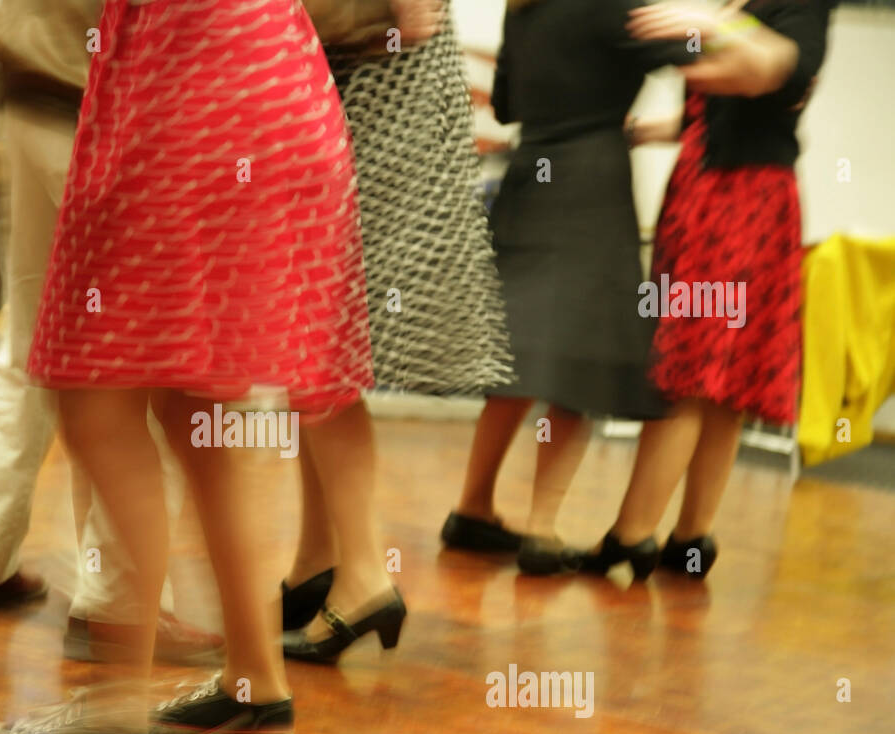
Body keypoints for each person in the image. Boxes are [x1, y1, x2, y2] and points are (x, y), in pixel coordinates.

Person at [0, 0, 372, 734]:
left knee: (93, 391)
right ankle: (254, 683)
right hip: (268, 87)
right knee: (200, 407)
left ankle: (115, 713)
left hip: (194, 101)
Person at [0, 0, 219, 664]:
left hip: (28, 82)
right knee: (134, 366)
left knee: (28, 337)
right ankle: (117, 605)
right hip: (114, 102)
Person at [281, 0, 512, 664]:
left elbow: (410, 14)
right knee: (312, 339)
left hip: (377, 90)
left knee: (319, 338)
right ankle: (318, 560)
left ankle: (360, 575)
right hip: (348, 79)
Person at [581, 0, 836, 580]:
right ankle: (692, 538)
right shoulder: (728, 7)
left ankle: (632, 535)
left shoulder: (795, 7)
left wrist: (715, 26)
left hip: (738, 201)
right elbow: (720, 98)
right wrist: (649, 129)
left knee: (691, 371)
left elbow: (775, 72)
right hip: (713, 191)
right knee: (719, 376)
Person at [439, 0, 695, 576]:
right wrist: (714, 30)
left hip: (531, 175)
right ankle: (541, 528)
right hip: (590, 186)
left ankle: (472, 507)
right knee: (583, 362)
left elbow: (505, 106)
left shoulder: (524, 6)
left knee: (517, 360)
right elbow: (691, 56)